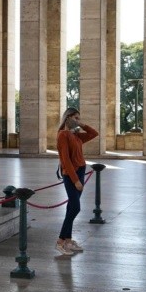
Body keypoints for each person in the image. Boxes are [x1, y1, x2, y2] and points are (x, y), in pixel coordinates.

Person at [55, 107, 99, 256]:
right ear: (67, 118)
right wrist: (75, 181)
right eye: (75, 118)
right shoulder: (62, 135)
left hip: (80, 171)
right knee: (75, 208)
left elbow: (94, 133)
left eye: (79, 118)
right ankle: (60, 241)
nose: (78, 121)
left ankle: (68, 240)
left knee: (71, 208)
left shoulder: (76, 135)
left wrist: (81, 125)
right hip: (71, 174)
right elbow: (65, 160)